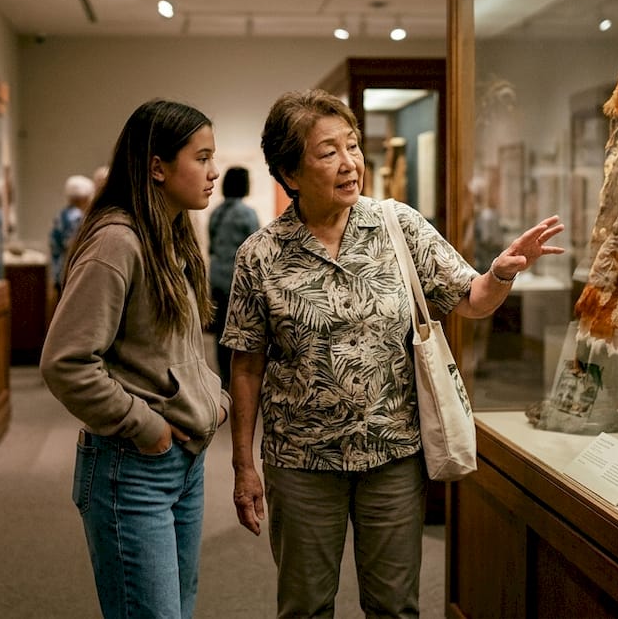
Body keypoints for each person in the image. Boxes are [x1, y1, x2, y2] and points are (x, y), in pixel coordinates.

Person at [222, 89, 564, 618]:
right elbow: (245, 364)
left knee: (395, 608)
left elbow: (469, 299)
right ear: (289, 172)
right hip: (301, 462)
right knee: (305, 607)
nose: (349, 162)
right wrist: (244, 464)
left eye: (353, 146)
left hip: (394, 455)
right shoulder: (260, 255)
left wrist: (500, 272)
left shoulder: (394, 225)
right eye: (327, 151)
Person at [39, 99, 229, 619]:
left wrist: (212, 398)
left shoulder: (169, 235)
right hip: (134, 465)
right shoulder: (117, 242)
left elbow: (175, 347)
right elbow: (67, 361)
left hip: (182, 462)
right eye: (202, 157)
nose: (214, 172)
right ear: (157, 166)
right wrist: (145, 425)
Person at [207, 166, 259, 389]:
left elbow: (211, 246)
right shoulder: (246, 214)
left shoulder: (216, 212)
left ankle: (224, 379)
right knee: (241, 334)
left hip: (217, 278)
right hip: (238, 282)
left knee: (221, 333)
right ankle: (239, 378)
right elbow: (257, 250)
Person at [49, 174, 95, 294]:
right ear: (84, 198)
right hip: (69, 272)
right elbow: (73, 246)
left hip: (58, 270)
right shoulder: (77, 218)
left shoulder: (61, 214)